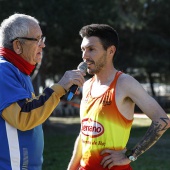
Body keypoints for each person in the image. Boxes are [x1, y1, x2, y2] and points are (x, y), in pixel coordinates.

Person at [67, 24, 170, 170]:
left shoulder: (124, 83)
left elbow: (162, 121)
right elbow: (83, 134)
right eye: (83, 50)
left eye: (91, 49)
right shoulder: (87, 85)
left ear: (110, 51)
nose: (84, 56)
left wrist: (131, 155)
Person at [0, 13, 85, 170]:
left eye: (42, 39)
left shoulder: (19, 71)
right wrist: (60, 87)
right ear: (17, 45)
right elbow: (23, 116)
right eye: (37, 39)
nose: (43, 45)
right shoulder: (3, 70)